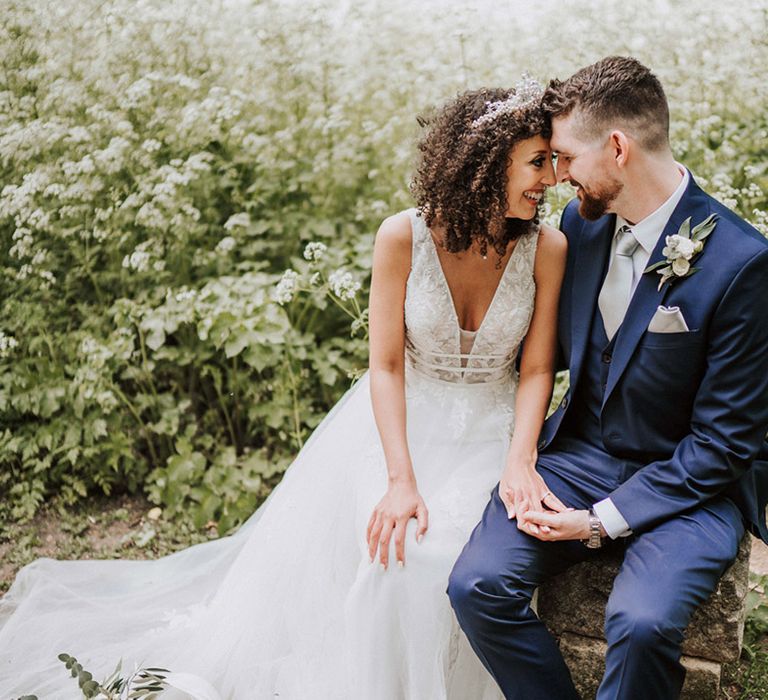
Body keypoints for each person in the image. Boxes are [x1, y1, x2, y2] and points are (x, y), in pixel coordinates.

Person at [0, 79, 566, 699]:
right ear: (486, 161)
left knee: (449, 563)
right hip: (402, 425)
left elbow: (536, 371)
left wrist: (520, 461)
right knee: (397, 551)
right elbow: (386, 367)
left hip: (494, 434)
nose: (551, 178)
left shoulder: (548, 247)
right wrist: (400, 480)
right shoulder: (402, 236)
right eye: (539, 161)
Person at [448, 55, 768, 700]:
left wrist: (600, 523)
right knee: (477, 585)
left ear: (617, 147)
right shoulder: (580, 227)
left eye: (565, 157)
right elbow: (545, 351)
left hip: (691, 486)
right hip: (581, 456)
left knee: (642, 623)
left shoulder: (743, 264)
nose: (558, 176)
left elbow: (726, 443)